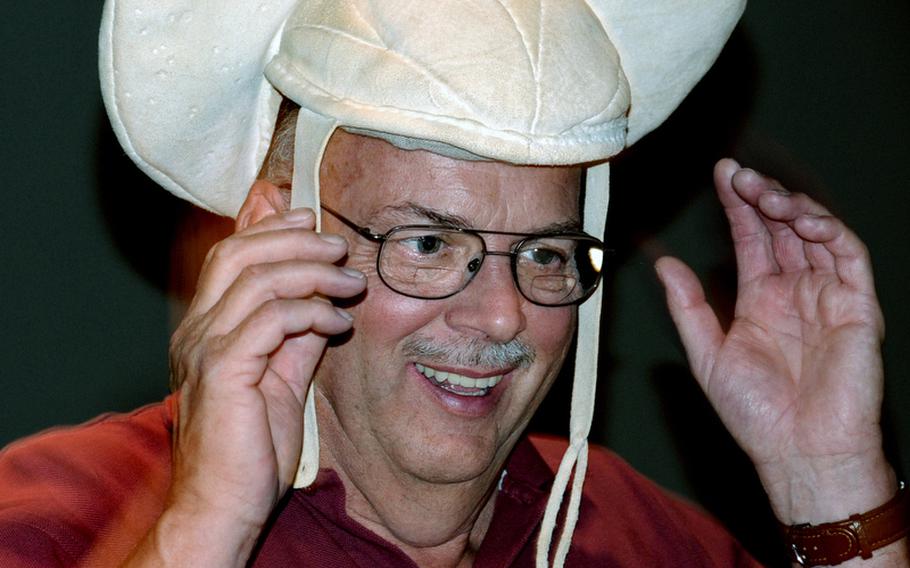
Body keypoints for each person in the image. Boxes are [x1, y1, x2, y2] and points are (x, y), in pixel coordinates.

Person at [1, 0, 907, 566]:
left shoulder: (635, 535)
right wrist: (203, 530)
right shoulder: (58, 518)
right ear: (276, 240)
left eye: (548, 253)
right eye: (429, 243)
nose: (505, 312)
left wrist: (827, 484)